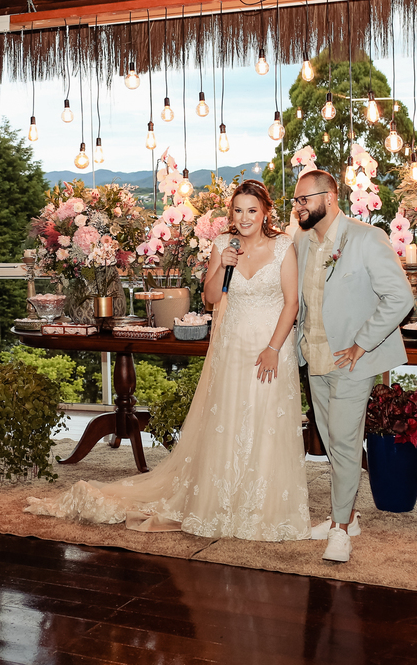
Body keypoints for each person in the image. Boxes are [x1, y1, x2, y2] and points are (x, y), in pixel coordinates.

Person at [26, 180, 311, 541]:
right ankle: (225, 501)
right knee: (231, 421)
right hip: (233, 346)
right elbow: (209, 299)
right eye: (238, 210)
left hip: (272, 348)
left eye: (252, 210)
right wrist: (224, 266)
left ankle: (264, 507)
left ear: (265, 212)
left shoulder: (284, 246)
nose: (244, 218)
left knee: (266, 420)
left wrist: (273, 347)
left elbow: (292, 303)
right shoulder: (223, 246)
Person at [292, 169, 412, 563]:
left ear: (329, 197)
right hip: (315, 357)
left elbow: (400, 297)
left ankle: (340, 529)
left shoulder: (365, 238)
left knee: (343, 443)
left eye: (304, 199)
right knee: (331, 442)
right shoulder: (301, 241)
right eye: (295, 201)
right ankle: (349, 514)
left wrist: (363, 342)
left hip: (351, 361)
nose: (298, 207)